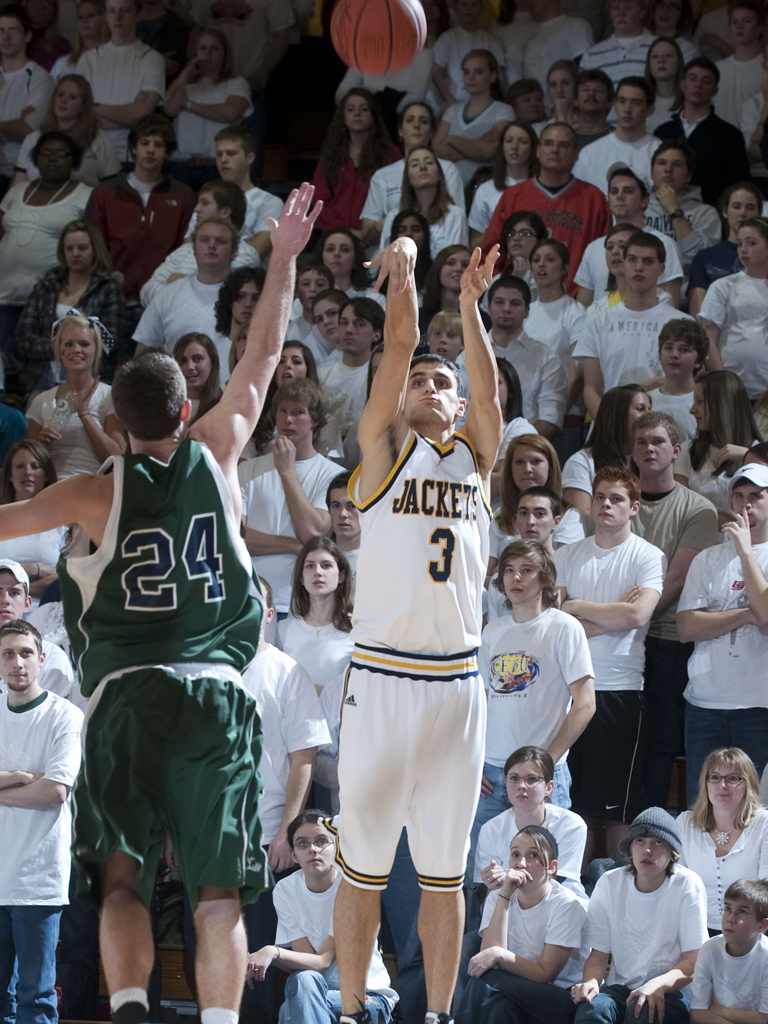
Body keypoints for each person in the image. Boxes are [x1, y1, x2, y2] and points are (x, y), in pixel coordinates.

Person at [0, 181, 321, 1024]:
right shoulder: (218, 449)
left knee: (121, 877)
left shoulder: (84, 494)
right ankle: (217, 1020)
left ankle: (134, 1007)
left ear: (115, 411)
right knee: (218, 888)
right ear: (186, 408)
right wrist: (283, 254)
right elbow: (262, 351)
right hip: (216, 695)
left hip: (124, 700)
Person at [331, 233, 503, 1024]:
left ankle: (436, 1015)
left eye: (445, 381)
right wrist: (404, 261)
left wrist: (469, 307)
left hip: (457, 687)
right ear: (399, 400)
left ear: (459, 405)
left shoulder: (478, 457)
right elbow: (398, 343)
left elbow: (491, 401)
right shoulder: (381, 453)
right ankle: (351, 1007)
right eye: (421, 380)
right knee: (361, 869)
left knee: (445, 874)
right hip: (384, 676)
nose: (432, 384)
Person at [555, 467, 666, 859]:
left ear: (634, 507)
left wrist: (576, 607)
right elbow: (554, 621)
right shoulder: (567, 553)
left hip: (619, 689)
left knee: (617, 807)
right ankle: (570, 888)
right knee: (572, 807)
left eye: (616, 498)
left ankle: (614, 892)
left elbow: (637, 618)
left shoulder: (648, 555)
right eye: (600, 497)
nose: (605, 504)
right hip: (567, 687)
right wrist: (614, 611)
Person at [239, 578, 330, 1024]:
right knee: (204, 949)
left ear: (269, 614)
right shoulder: (200, 671)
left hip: (263, 834)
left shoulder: (286, 671)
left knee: (255, 958)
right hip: (206, 840)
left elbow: (305, 758)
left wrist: (285, 832)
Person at [630, 411, 719, 810]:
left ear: (676, 451)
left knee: (661, 743)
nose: (649, 448)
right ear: (632, 452)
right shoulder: (617, 503)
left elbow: (678, 577)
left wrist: (627, 618)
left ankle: (657, 833)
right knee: (625, 739)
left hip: (665, 639)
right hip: (619, 640)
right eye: (642, 442)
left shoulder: (697, 508)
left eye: (659, 442)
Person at [477, 539, 595, 829]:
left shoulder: (564, 627)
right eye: (509, 569)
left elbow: (586, 703)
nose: (516, 577)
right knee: (482, 870)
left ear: (544, 578)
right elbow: (480, 700)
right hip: (491, 774)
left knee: (542, 867)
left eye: (527, 569)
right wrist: (473, 758)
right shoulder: (492, 632)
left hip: (541, 772)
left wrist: (546, 762)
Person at [0, 618, 83, 1024]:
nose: (18, 662)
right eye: (8, 654)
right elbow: (39, 785)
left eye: (26, 653)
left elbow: (53, 793)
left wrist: (8, 784)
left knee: (37, 998)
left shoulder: (64, 716)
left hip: (38, 881)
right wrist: (21, 777)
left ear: (42, 658)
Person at [246, 812, 398, 1024]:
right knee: (303, 984)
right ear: (293, 856)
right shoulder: (285, 890)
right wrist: (256, 961)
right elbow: (307, 960)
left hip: (368, 999)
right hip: (314, 991)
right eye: (302, 843)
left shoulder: (353, 887)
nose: (313, 849)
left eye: (321, 841)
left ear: (337, 847)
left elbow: (323, 961)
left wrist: (272, 952)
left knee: (290, 1009)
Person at [678, 463, 768, 796]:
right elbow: (687, 626)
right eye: (739, 495)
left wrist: (746, 551)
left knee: (754, 812)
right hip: (705, 703)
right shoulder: (708, 558)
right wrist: (746, 614)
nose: (746, 504)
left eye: (756, 496)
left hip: (758, 706)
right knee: (701, 806)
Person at [571, 807, 707, 1024]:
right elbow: (597, 955)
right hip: (620, 988)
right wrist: (591, 983)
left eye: (658, 842)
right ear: (630, 849)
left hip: (671, 990)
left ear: (673, 853)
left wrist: (656, 985)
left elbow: (693, 961)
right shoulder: (609, 882)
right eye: (640, 841)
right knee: (591, 1011)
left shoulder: (687, 884)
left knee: (642, 1010)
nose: (647, 850)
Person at [458, 826, 589, 1024]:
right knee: (501, 1007)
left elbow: (545, 974)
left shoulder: (566, 905)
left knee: (484, 982)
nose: (521, 863)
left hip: (562, 997)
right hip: (510, 989)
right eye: (515, 854)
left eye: (533, 855)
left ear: (552, 867)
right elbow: (488, 956)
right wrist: (504, 895)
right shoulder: (498, 897)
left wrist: (500, 955)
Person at [239, 376, 340, 617]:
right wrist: (294, 546)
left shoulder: (333, 475)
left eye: (298, 412)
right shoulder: (247, 469)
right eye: (282, 411)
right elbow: (236, 536)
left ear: (315, 420)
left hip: (303, 603)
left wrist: (287, 471)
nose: (288, 419)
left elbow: (312, 532)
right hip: (251, 599)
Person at [481, 122, 611, 294]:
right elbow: (490, 254)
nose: (554, 150)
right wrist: (504, 289)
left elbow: (605, 257)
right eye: (548, 144)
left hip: (576, 302)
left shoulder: (594, 198)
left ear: (576, 154)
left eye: (563, 145)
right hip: (519, 301)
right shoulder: (513, 196)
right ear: (538, 151)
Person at [575, 232, 693, 419]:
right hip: (612, 424)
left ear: (661, 269)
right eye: (632, 260)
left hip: (667, 427)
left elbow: (691, 387)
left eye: (648, 261)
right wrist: (612, 427)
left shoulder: (683, 324)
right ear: (623, 264)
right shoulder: (597, 321)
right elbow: (591, 389)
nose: (639, 267)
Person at [86, 113, 195, 310]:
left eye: (159, 145)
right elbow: (93, 247)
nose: (151, 150)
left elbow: (186, 252)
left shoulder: (183, 196)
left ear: (168, 153)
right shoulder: (105, 193)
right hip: (111, 300)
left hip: (163, 301)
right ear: (134, 148)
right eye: (145, 143)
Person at [0, 131, 91, 360]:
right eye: (46, 153)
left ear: (74, 160)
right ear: (36, 158)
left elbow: (90, 246)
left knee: (31, 365)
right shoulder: (17, 191)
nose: (52, 159)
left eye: (61, 154)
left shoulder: (86, 195)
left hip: (48, 298)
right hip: (3, 293)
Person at [15, 218, 123, 393]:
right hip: (42, 378)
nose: (75, 253)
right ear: (62, 251)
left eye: (82, 248)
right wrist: (57, 347)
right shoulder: (47, 285)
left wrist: (71, 347)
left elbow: (112, 341)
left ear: (95, 251)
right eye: (69, 248)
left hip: (90, 381)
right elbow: (24, 336)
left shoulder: (107, 289)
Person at [472, 746, 589, 903]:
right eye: (514, 778)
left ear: (549, 787)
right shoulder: (490, 829)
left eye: (532, 779)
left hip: (562, 907)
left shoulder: (571, 825)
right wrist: (492, 885)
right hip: (511, 908)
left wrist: (508, 880)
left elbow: (558, 884)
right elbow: (488, 902)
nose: (521, 786)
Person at [677, 748, 768, 931]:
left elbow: (764, 888)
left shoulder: (764, 823)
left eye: (733, 778)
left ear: (748, 784)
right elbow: (676, 884)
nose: (722, 785)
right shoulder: (685, 823)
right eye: (715, 777)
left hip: (750, 931)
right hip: (694, 929)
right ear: (705, 783)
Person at [26, 311, 124, 477]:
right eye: (69, 344)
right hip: (50, 489)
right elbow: (28, 465)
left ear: (96, 350)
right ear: (60, 350)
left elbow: (118, 459)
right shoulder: (41, 401)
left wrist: (85, 414)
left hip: (93, 488)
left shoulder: (110, 396)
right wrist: (39, 446)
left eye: (84, 344)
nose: (76, 350)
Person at [139, 179, 259, 309]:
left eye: (205, 203)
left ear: (225, 211)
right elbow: (146, 293)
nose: (196, 209)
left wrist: (176, 281)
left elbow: (221, 298)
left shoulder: (245, 253)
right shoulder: (184, 251)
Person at [360, 101, 466, 247]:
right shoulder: (382, 176)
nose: (416, 126)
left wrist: (393, 223)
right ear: (400, 130)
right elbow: (368, 228)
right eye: (410, 120)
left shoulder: (448, 169)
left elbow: (450, 215)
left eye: (423, 121)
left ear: (432, 132)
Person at [575, 167, 684, 308]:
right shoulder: (594, 247)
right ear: (608, 200)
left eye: (628, 191)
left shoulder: (663, 243)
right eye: (614, 191)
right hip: (601, 326)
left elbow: (670, 307)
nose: (619, 196)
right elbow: (583, 307)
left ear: (645, 200)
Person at [74, 0, 165, 163]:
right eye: (112, 11)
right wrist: (128, 117)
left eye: (125, 11)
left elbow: (142, 115)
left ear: (138, 15)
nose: (118, 17)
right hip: (90, 155)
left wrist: (94, 107)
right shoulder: (88, 60)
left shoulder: (151, 58)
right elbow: (78, 115)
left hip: (130, 157)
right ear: (105, 16)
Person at [654, 57, 751, 208]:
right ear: (682, 84)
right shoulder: (663, 131)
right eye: (693, 79)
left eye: (706, 81)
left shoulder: (730, 135)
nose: (698, 85)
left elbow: (738, 186)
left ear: (715, 90)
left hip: (712, 216)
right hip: (661, 212)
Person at [163, 30, 252, 192]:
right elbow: (169, 108)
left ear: (224, 54)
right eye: (202, 48)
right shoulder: (185, 86)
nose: (208, 53)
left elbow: (229, 112)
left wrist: (189, 105)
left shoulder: (236, 83)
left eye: (214, 49)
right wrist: (187, 72)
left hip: (218, 167)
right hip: (181, 166)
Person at [133, 215, 237, 354]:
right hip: (178, 374)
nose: (211, 245)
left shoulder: (247, 295)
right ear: (193, 249)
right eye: (204, 240)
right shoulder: (168, 294)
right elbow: (144, 350)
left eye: (220, 241)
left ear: (234, 251)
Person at [673, 370, 762, 520]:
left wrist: (747, 455)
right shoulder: (687, 451)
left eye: (700, 402)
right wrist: (721, 520)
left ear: (722, 404)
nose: (692, 409)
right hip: (699, 539)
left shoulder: (756, 452)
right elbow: (681, 506)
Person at [486, 275, 566, 438]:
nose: (506, 308)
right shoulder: (468, 357)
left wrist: (511, 447)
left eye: (515, 303)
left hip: (525, 453)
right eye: (499, 302)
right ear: (488, 307)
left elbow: (550, 420)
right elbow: (459, 415)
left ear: (527, 311)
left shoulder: (547, 359)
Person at [312, 88, 400, 235]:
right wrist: (346, 232)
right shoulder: (330, 155)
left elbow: (397, 198)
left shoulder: (391, 154)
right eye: (350, 109)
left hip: (377, 236)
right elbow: (319, 201)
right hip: (336, 236)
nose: (357, 114)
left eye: (364, 109)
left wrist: (375, 229)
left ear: (374, 115)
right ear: (343, 117)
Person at [699, 217, 768, 401]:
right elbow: (708, 339)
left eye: (752, 243)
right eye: (740, 243)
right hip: (734, 392)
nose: (743, 249)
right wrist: (724, 383)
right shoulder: (724, 286)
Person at [277, 537, 353, 696]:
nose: (318, 572)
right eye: (310, 566)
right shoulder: (284, 629)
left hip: (338, 719)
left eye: (326, 566)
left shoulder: (357, 631)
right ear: (301, 579)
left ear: (341, 576)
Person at [12, 73, 121, 186]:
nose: (63, 100)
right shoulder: (33, 138)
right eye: (60, 95)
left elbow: (112, 187)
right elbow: (17, 186)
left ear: (83, 105)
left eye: (72, 97)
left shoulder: (98, 138)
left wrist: (78, 180)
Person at [562, 385, 652, 515]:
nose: (648, 416)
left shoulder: (648, 458)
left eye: (650, 409)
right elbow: (581, 517)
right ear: (617, 414)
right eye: (641, 409)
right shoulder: (581, 461)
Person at [433, 49, 515, 187]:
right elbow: (436, 151)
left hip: (487, 188)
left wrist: (452, 139)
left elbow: (489, 151)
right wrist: (476, 147)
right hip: (452, 188)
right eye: (466, 72)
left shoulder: (504, 111)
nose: (471, 77)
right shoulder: (452, 110)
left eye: (478, 72)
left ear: (492, 76)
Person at [690, 878, 768, 1024]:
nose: (730, 918)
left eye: (742, 913)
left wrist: (721, 1010)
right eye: (727, 909)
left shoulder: (765, 956)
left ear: (762, 925)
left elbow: (763, 1018)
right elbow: (697, 1011)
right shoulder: (710, 949)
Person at [643, 141, 722, 277]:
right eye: (661, 163)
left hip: (686, 293)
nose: (668, 169)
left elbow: (698, 260)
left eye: (677, 164)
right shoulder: (639, 207)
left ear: (689, 176)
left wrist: (674, 209)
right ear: (651, 172)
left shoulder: (706, 213)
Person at [0, 4, 54, 195]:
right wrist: (12, 126)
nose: (5, 38)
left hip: (20, 173)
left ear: (27, 36)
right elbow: (20, 126)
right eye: (1, 31)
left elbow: (29, 128)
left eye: (13, 31)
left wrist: (19, 126)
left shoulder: (40, 78)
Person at [0, 440, 66, 594]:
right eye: (19, 466)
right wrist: (32, 570)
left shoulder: (62, 523)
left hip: (47, 610)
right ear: (10, 475)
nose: (27, 472)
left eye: (35, 466)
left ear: (47, 475)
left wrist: (19, 590)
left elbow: (67, 577)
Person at [573, 78, 660, 193]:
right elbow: (576, 197)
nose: (627, 109)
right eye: (622, 101)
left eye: (636, 103)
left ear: (649, 110)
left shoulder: (659, 152)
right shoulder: (589, 153)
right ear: (614, 105)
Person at [687, 182, 762, 317]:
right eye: (736, 206)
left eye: (750, 208)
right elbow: (699, 315)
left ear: (759, 213)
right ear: (725, 211)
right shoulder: (705, 257)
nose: (743, 213)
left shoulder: (765, 256)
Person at [379, 147, 467, 258]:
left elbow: (456, 260)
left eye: (429, 162)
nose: (423, 167)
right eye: (415, 165)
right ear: (408, 179)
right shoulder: (394, 216)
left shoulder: (455, 215)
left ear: (440, 175)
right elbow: (384, 260)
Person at [319, 297, 384, 439]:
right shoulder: (321, 375)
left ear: (376, 334)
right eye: (343, 323)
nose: (348, 330)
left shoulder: (381, 377)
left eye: (359, 324)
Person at [468, 121, 537, 247]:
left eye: (523, 142)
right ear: (502, 146)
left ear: (533, 149)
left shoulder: (541, 188)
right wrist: (499, 228)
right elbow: (474, 245)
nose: (514, 146)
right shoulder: (486, 190)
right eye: (509, 140)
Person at [526, 239, 586, 378]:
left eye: (550, 259)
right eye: (536, 260)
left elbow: (578, 370)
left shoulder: (576, 312)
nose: (541, 264)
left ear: (564, 269)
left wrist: (565, 400)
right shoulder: (526, 310)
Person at [431, 0, 505, 109]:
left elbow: (499, 74)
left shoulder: (491, 40)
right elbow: (435, 70)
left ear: (481, 9)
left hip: (485, 103)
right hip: (456, 102)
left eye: (474, 4)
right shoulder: (448, 38)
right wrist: (448, 98)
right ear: (456, 8)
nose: (469, 8)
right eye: (464, 4)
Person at [645, 318, 707, 439]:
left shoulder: (707, 402)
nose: (674, 354)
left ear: (698, 360)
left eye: (684, 349)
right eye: (668, 347)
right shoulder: (646, 401)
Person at [578, 0, 656, 90]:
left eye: (628, 7)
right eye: (615, 8)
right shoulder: (591, 55)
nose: (621, 13)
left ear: (642, 12)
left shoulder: (660, 48)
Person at [711, 0, 765, 129]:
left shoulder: (765, 67)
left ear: (760, 27)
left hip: (756, 146)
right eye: (735, 22)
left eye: (746, 21)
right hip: (722, 144)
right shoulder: (716, 69)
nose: (739, 26)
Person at [521, 0, 593, 93]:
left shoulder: (576, 26)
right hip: (539, 105)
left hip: (569, 104)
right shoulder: (532, 37)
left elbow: (586, 72)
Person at [315, 227, 378, 303]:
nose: (336, 254)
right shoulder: (309, 296)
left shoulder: (373, 298)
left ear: (355, 259)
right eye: (330, 249)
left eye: (345, 250)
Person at [49, 0, 107, 81]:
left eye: (91, 15)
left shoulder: (113, 59)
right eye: (80, 17)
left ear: (103, 19)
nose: (85, 20)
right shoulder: (63, 63)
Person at [172, 331, 221, 423]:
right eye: (183, 360)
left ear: (212, 363)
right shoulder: (164, 405)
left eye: (197, 359)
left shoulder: (224, 405)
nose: (190, 366)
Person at [419, 245, 472, 326]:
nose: (458, 268)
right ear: (438, 268)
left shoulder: (482, 320)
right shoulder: (418, 318)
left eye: (465, 265)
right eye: (451, 263)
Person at [643, 38, 683, 135]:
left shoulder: (691, 100)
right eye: (655, 56)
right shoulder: (640, 100)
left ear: (679, 62)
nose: (661, 60)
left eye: (668, 55)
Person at [572, 69, 614, 149]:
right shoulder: (568, 137)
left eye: (599, 91)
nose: (591, 94)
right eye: (585, 89)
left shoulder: (618, 137)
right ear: (575, 101)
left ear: (610, 103)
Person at [26, 0, 71, 71]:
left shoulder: (62, 46)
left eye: (49, 3)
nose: (42, 6)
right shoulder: (17, 42)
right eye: (37, 1)